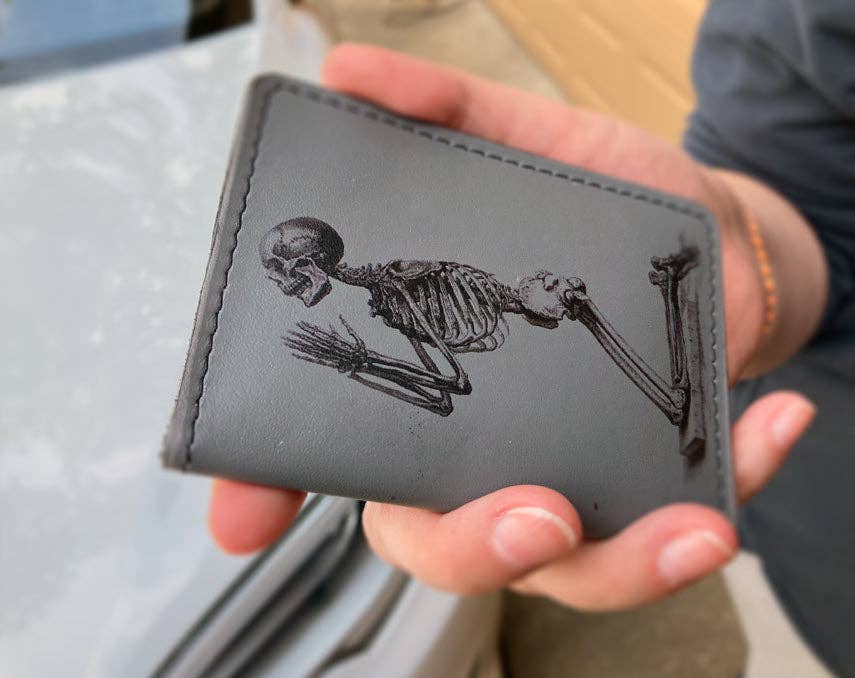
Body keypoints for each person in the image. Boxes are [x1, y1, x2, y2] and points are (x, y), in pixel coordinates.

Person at [207, 1, 854, 671]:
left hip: (492, 311)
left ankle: (669, 324)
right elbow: (807, 182)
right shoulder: (382, 294)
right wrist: (757, 250)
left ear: (313, 263)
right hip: (816, 544)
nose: (285, 285)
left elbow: (449, 385)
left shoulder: (392, 294)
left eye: (288, 271)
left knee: (660, 407)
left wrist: (362, 361)